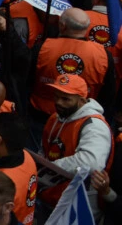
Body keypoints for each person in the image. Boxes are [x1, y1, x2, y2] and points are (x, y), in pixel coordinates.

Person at [38, 74, 112, 209]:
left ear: (82, 101)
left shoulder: (94, 125)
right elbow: (44, 150)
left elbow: (91, 163)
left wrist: (47, 169)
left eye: (66, 99)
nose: (58, 102)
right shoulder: (55, 117)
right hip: (50, 197)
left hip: (76, 206)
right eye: (56, 96)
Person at [29, 8, 110, 119]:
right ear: (86, 28)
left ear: (62, 25)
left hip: (39, 115)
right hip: (84, 116)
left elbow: (27, 80)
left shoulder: (42, 47)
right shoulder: (103, 55)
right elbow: (108, 93)